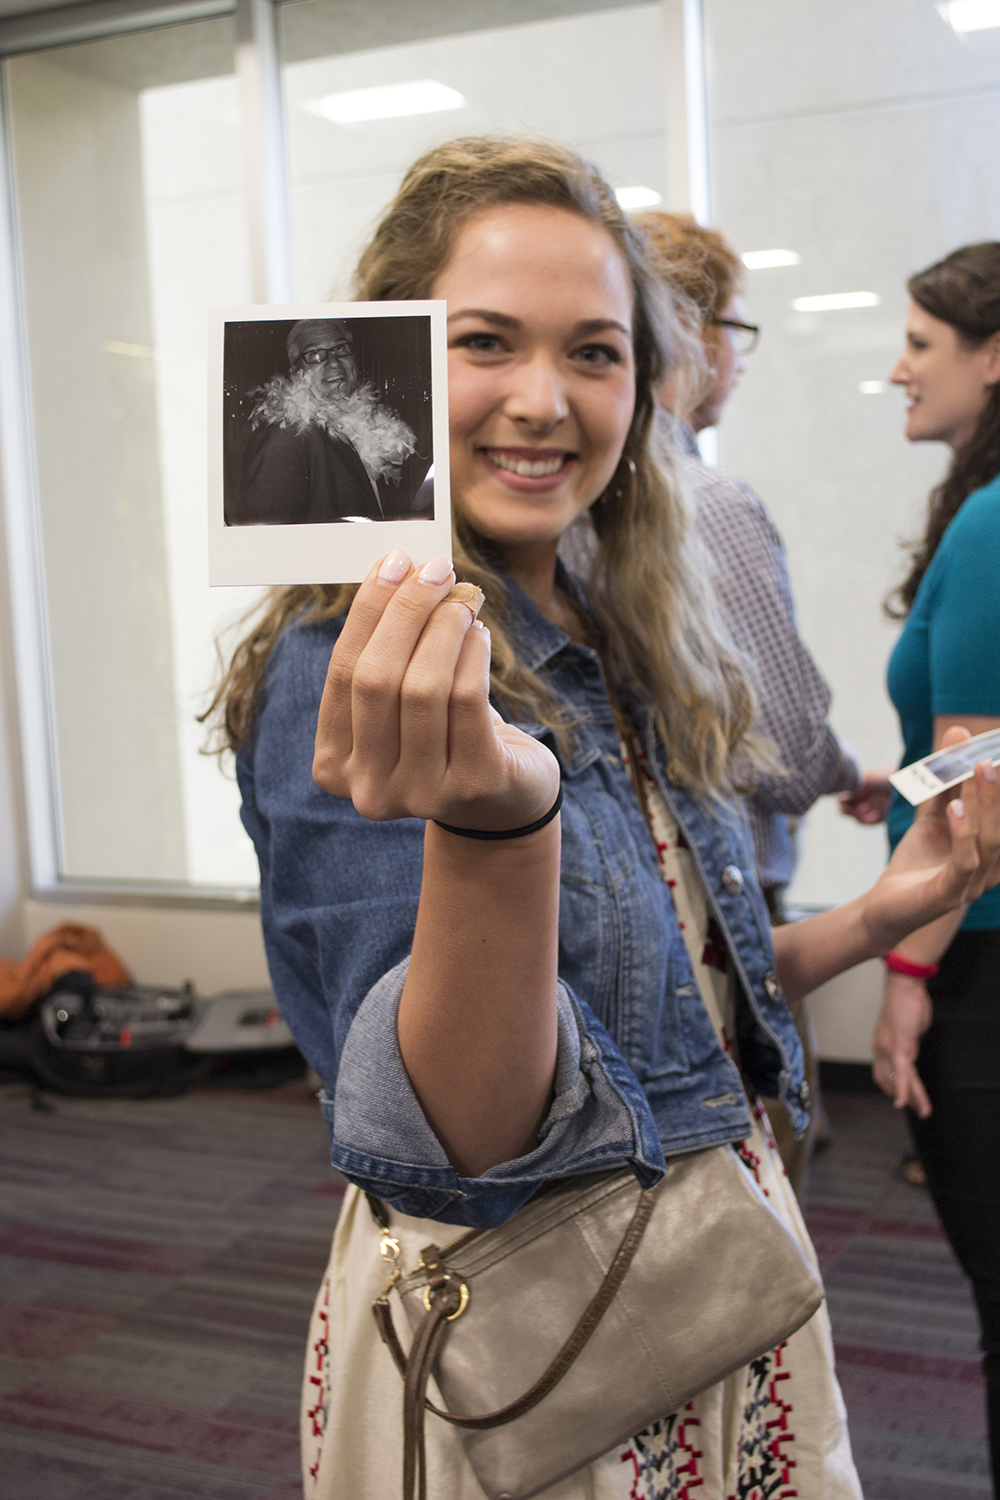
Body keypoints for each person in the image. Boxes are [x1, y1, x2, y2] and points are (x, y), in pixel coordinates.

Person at [210, 140, 1000, 1499]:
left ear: (647, 383)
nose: (542, 400)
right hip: (534, 1329)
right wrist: (498, 830)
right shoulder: (344, 666)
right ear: (390, 359)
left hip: (716, 1268)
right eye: (486, 344)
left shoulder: (624, 622)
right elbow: (457, 1141)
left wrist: (887, 911)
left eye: (594, 352)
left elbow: (685, 1000)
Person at [632, 210, 861, 1190]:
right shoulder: (705, 500)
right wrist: (837, 773)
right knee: (755, 1225)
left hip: (640, 905)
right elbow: (789, 747)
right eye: (734, 325)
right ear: (683, 329)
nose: (739, 355)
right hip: (727, 915)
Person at [839, 242, 1000, 1488]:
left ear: (993, 358)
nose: (896, 369)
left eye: (920, 344)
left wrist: (902, 971)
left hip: (980, 961)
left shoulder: (998, 517)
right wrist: (887, 787)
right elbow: (964, 753)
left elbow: (979, 779)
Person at [229, 318, 418, 525]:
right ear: (296, 371)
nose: (334, 362)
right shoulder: (285, 437)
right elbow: (261, 546)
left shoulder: (372, 426)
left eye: (341, 349)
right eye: (315, 355)